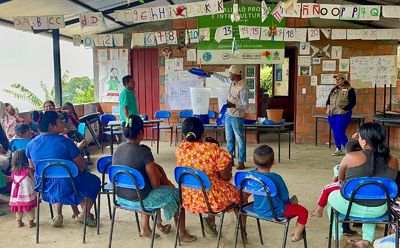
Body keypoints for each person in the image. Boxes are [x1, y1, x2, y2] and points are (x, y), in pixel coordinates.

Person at [112, 115, 196, 242]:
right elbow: (156, 184)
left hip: (120, 198)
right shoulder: (144, 152)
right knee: (177, 194)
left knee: (142, 189)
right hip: (140, 200)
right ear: (141, 132)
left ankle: (145, 228)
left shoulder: (117, 150)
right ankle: (182, 234)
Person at [327, 122, 399, 248]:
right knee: (373, 196)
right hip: (380, 209)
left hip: (350, 207)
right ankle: (366, 240)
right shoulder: (393, 160)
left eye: (360, 137)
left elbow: (341, 180)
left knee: (331, 196)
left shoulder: (351, 157)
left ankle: (337, 238)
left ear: (364, 142)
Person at [25, 111, 100, 227]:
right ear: (51, 126)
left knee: (57, 180)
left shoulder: (31, 144)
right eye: (60, 121)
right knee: (92, 181)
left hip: (45, 186)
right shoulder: (66, 142)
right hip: (69, 184)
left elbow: (34, 168)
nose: (63, 122)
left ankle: (58, 214)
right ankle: (83, 215)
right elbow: (81, 166)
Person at [176, 117, 243, 236]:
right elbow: (226, 177)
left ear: (184, 134)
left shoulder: (180, 149)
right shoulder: (213, 150)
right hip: (211, 200)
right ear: (203, 133)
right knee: (240, 193)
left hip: (188, 197)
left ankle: (211, 222)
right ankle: (242, 230)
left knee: (211, 184)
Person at [252, 144, 308, 242]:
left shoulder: (251, 175)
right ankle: (296, 236)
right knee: (303, 211)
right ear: (273, 161)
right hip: (277, 211)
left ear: (254, 162)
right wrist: (289, 203)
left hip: (257, 209)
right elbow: (284, 197)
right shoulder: (276, 178)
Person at [310, 140, 362, 235]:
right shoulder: (366, 162)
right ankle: (348, 227)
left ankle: (319, 210)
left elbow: (341, 180)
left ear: (347, 153)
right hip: (362, 195)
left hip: (348, 189)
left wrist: (336, 178)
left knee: (327, 189)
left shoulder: (346, 161)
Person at [207, 65, 249, 169]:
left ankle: (241, 161)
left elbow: (246, 105)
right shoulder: (232, 82)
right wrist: (212, 73)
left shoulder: (243, 88)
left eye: (231, 74)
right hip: (228, 114)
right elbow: (223, 78)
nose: (229, 76)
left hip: (237, 116)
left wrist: (234, 105)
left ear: (236, 74)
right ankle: (230, 160)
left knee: (239, 139)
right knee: (229, 139)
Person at [326, 73, 356, 156]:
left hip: (343, 114)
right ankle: (338, 149)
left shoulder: (350, 89)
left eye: (338, 79)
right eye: (336, 79)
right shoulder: (334, 89)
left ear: (343, 79)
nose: (337, 81)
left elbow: (353, 102)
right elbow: (328, 101)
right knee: (335, 132)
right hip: (332, 113)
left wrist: (345, 109)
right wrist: (328, 108)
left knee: (339, 132)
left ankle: (349, 151)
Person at [9, 150, 37, 228]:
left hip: (16, 194)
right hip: (27, 193)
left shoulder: (13, 171)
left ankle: (19, 222)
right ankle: (31, 222)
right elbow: (34, 180)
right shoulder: (29, 170)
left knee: (18, 208)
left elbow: (12, 179)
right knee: (30, 207)